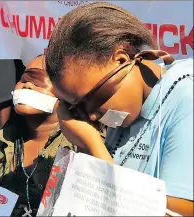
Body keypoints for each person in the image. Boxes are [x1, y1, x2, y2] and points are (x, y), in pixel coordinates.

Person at [45, 2, 193, 216]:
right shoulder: (126, 110)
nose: (93, 115)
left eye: (94, 98)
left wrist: (93, 144)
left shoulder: (187, 98)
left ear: (122, 59)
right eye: (78, 108)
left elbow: (178, 212)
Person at [0, 55, 78, 216]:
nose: (28, 86)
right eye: (24, 79)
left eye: (38, 81)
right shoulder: (1, 144)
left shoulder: (78, 146)